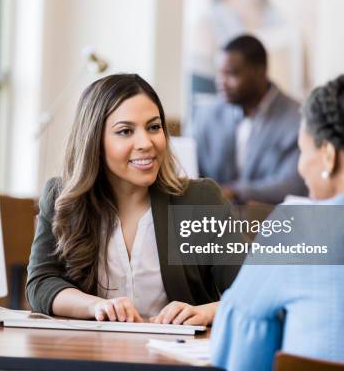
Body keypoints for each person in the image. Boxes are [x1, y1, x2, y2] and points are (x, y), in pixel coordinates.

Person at [210, 73, 344, 369]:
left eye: (303, 150)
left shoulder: (298, 227)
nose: (300, 165)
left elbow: (240, 354)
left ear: (329, 156)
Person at [26, 73, 239, 325]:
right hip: (90, 356)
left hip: (176, 357)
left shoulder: (200, 200)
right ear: (94, 141)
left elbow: (256, 288)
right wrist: (96, 306)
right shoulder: (62, 197)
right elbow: (41, 284)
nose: (146, 143)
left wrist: (207, 312)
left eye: (154, 127)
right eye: (125, 131)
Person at [191, 34, 307, 204]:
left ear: (260, 72)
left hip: (270, 221)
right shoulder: (207, 115)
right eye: (219, 73)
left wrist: (235, 192)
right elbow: (191, 169)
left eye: (230, 74)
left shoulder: (297, 118)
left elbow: (292, 184)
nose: (221, 82)